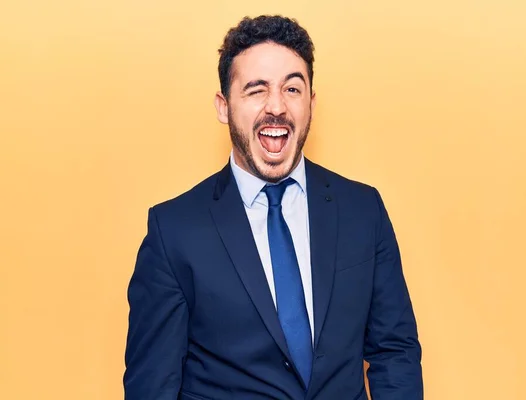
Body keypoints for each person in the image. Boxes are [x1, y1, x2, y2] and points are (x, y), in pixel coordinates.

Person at [123, 15, 423, 400]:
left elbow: (394, 351)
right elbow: (153, 387)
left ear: (311, 103)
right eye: (256, 90)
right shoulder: (174, 231)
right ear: (223, 106)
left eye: (292, 89)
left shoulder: (363, 210)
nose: (277, 107)